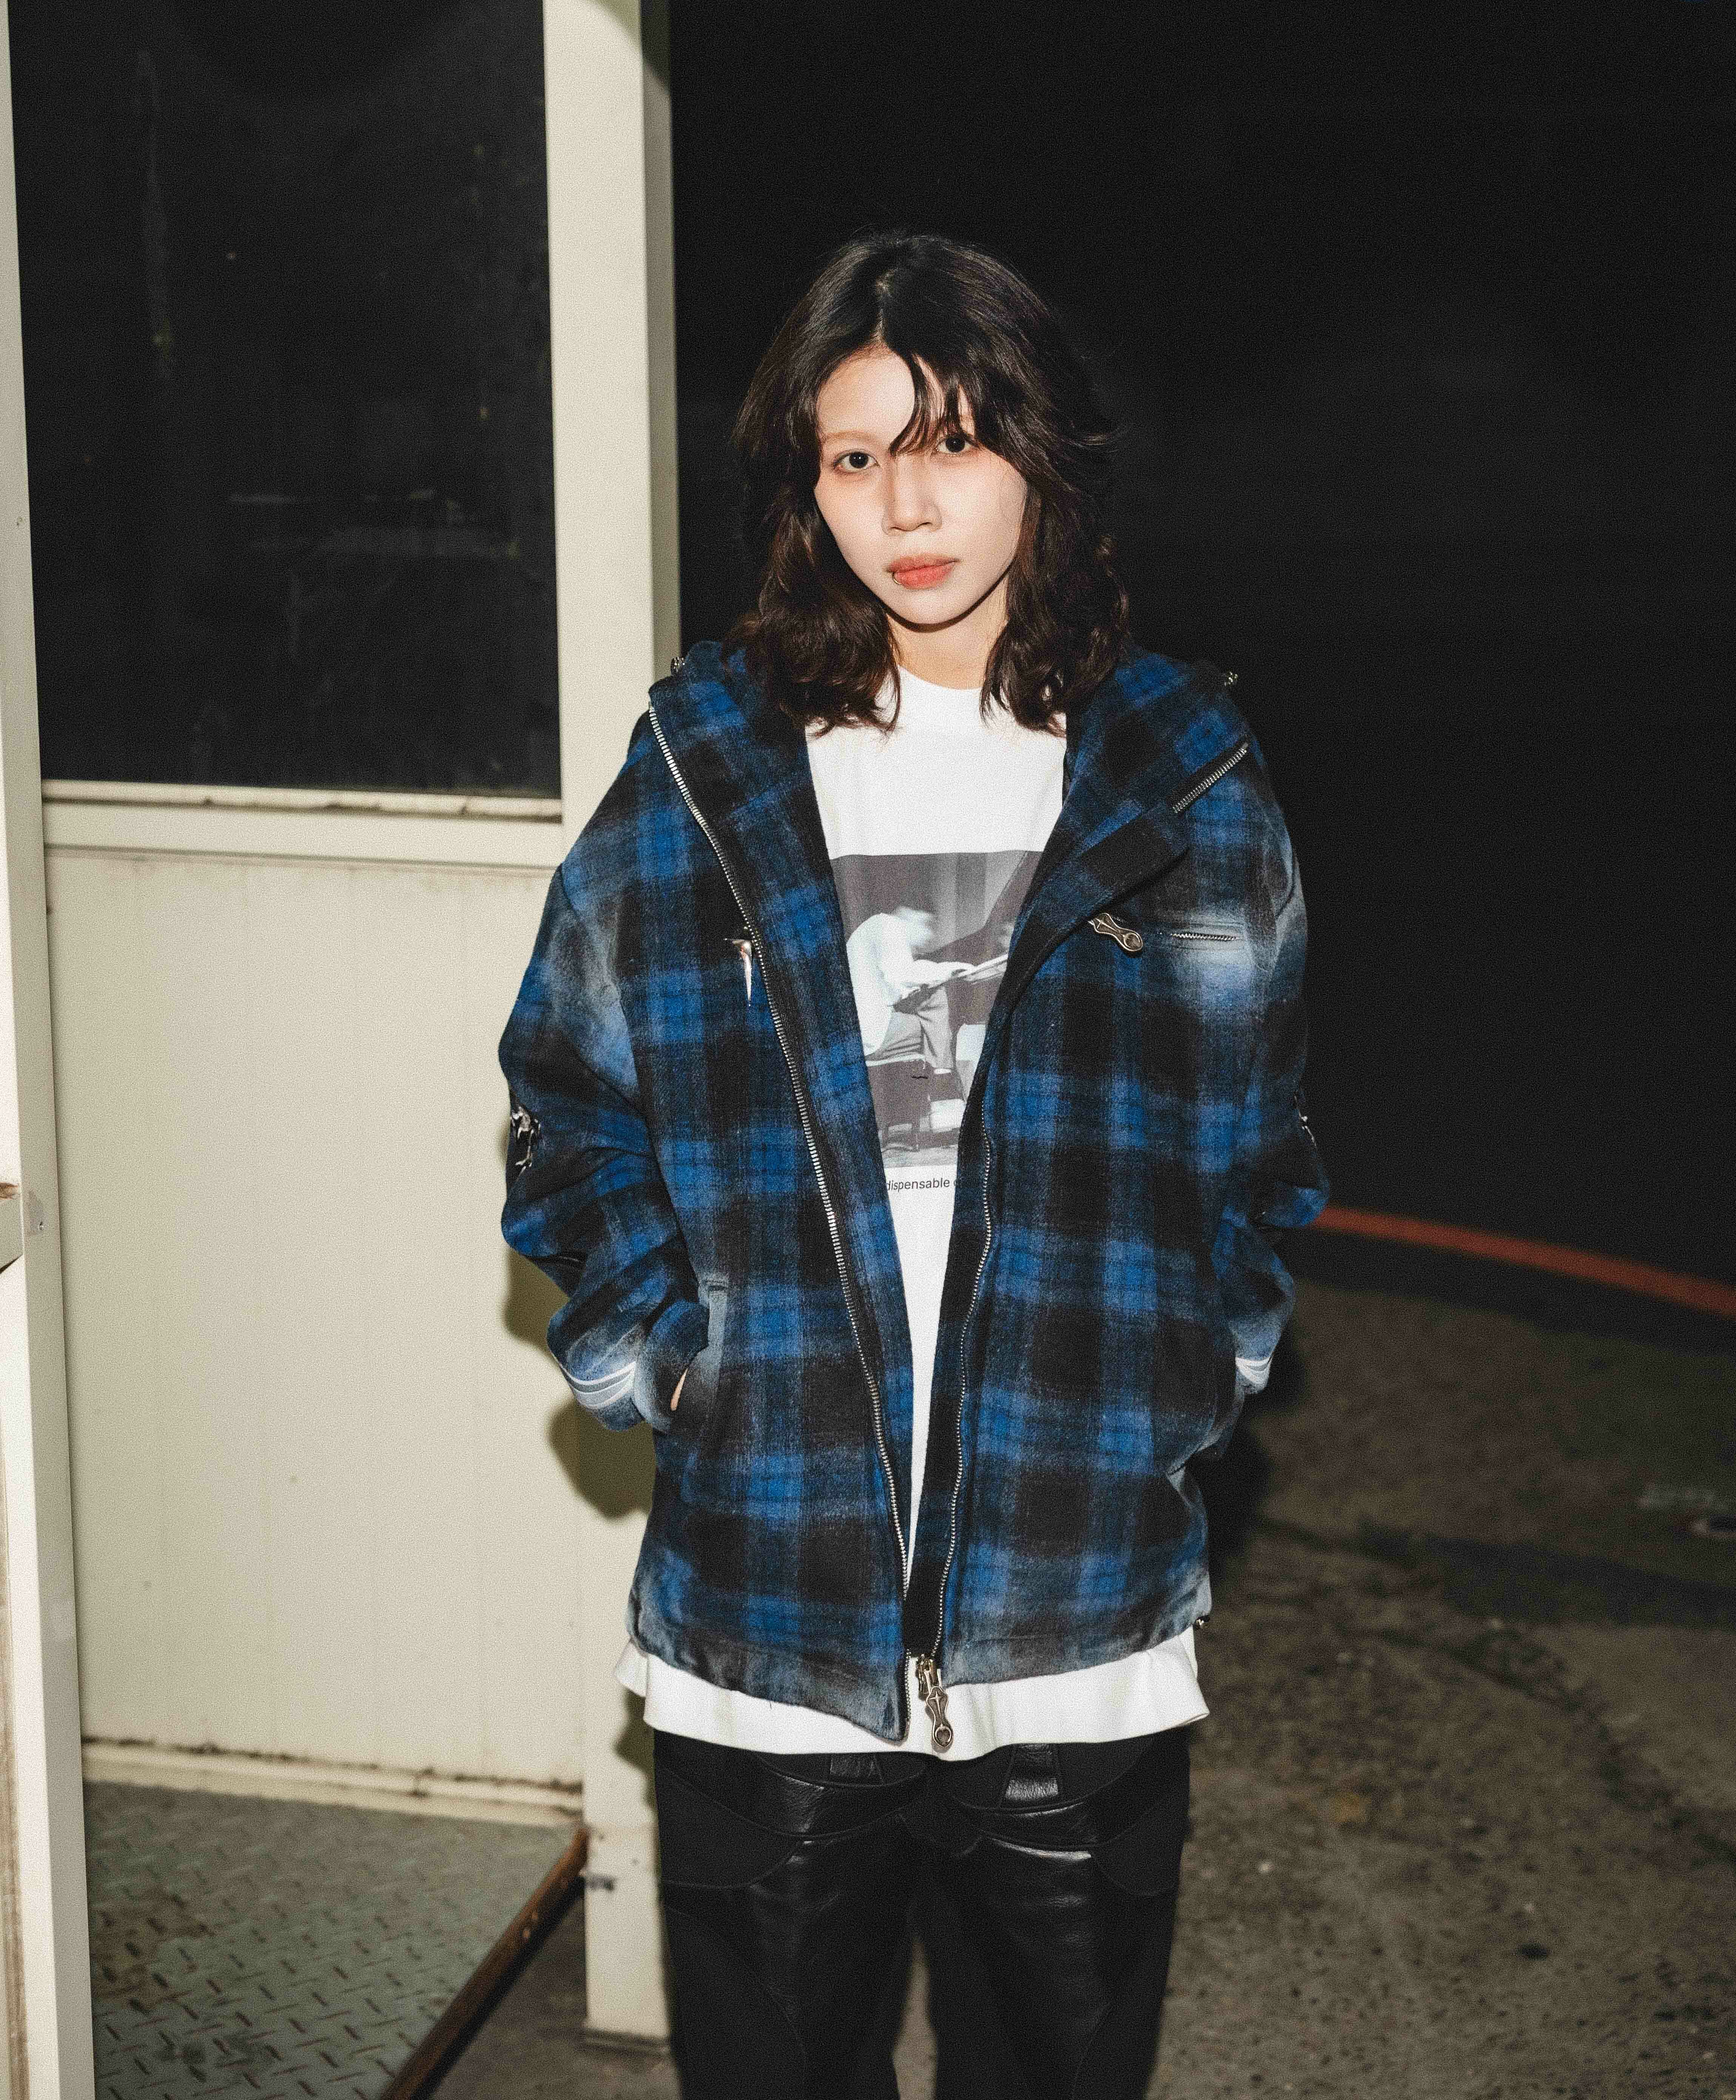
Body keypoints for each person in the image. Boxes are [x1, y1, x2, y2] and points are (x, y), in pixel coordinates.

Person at [498, 232, 1327, 2099]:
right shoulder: (710, 757)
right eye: (855, 456)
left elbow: (1259, 1142)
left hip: (1076, 1609)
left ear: (1041, 453)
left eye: (951, 441)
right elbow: (566, 1096)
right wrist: (672, 1363)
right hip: (770, 1610)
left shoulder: (1179, 769)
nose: (907, 505)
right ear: (808, 487)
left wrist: (1185, 1379)